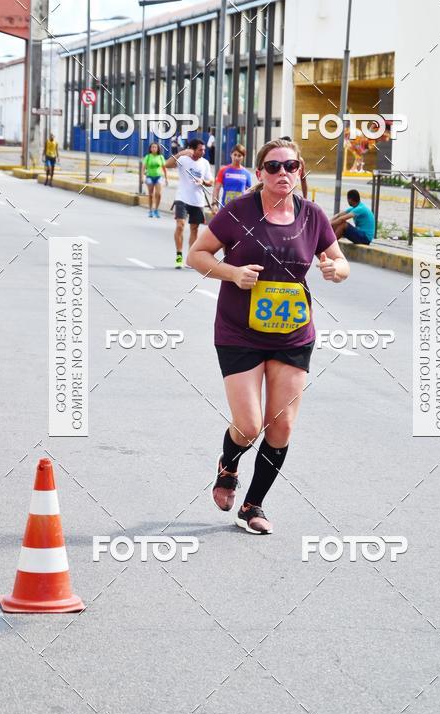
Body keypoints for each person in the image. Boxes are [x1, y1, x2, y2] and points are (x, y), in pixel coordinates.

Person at [187, 138, 349, 535]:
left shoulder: (312, 215)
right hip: (238, 331)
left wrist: (336, 270)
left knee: (282, 426)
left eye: (290, 166)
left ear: (300, 172)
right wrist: (232, 273)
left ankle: (253, 505)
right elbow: (198, 254)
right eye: (273, 167)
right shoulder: (238, 212)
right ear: (259, 174)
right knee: (248, 424)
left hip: (293, 333)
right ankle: (228, 468)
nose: (282, 173)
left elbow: (338, 260)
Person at [164, 137, 213, 269]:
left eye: (204, 149)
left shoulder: (205, 163)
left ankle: (190, 258)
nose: (203, 152)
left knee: (194, 229)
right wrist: (180, 153)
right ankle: (179, 255)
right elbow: (167, 164)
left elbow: (210, 182)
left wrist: (202, 181)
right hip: (182, 198)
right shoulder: (183, 160)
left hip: (197, 200)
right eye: (200, 149)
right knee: (180, 225)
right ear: (193, 149)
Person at [143, 141, 168, 218]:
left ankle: (156, 210)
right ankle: (150, 210)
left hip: (158, 177)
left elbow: (164, 168)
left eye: (155, 147)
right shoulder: (147, 156)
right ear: (150, 149)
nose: (154, 148)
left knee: (159, 194)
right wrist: (142, 177)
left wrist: (166, 178)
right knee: (151, 194)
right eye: (152, 147)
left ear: (158, 149)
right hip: (149, 177)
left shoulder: (161, 157)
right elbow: (143, 167)